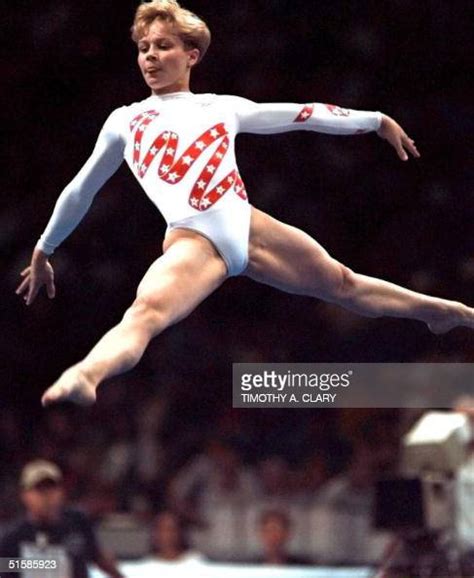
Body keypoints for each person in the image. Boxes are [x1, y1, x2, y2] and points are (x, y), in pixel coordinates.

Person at [15, 0, 474, 407]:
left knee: (344, 284)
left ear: (191, 55)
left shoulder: (222, 107)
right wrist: (44, 247)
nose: (150, 57)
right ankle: (86, 373)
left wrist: (373, 120)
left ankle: (442, 312)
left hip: (249, 225)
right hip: (195, 241)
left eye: (163, 46)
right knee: (144, 315)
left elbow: (301, 113)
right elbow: (82, 188)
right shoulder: (126, 120)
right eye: (143, 48)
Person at [0, 460, 124, 578]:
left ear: (61, 492)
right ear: (25, 495)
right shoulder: (12, 538)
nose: (46, 496)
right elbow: (6, 568)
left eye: (51, 489)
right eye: (40, 490)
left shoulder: (77, 523)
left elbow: (98, 558)